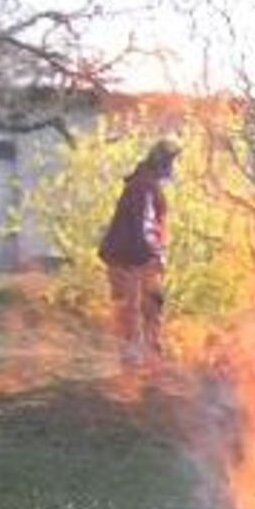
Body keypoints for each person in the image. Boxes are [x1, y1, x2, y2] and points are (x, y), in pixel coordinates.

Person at [98, 138, 180, 365]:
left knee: (146, 305)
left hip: (131, 256)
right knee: (136, 307)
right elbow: (145, 225)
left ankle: (147, 356)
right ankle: (138, 360)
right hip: (131, 258)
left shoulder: (143, 184)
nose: (174, 168)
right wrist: (156, 255)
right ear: (162, 164)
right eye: (172, 162)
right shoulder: (143, 187)